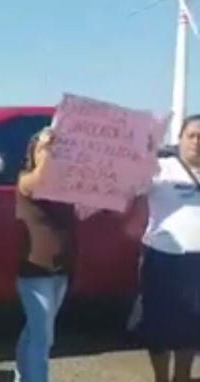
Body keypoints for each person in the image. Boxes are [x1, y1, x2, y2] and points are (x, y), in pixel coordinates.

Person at [128, 115, 200, 382]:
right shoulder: (160, 169)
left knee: (192, 327)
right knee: (157, 326)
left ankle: (182, 376)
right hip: (163, 259)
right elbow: (131, 188)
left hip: (197, 264)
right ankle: (161, 377)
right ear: (180, 139)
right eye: (191, 135)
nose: (197, 142)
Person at [13, 129, 76, 382]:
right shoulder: (26, 181)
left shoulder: (65, 187)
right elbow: (40, 180)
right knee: (43, 337)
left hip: (61, 269)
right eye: (42, 149)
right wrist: (47, 149)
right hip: (35, 271)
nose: (50, 153)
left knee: (34, 331)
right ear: (33, 153)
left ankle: (21, 376)